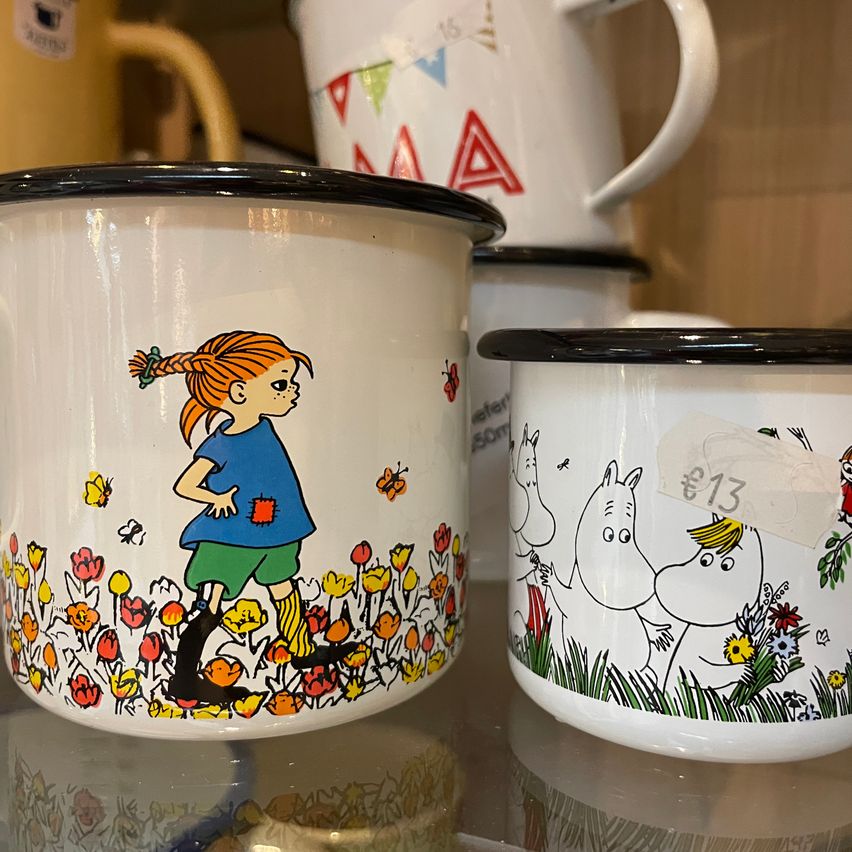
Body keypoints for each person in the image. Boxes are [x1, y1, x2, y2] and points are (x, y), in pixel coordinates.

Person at [129, 330, 353, 706]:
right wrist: (214, 497)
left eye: (291, 382)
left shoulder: (263, 426)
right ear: (238, 392)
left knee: (284, 588)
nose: (291, 391)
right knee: (212, 604)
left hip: (276, 531)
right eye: (280, 384)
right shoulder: (222, 442)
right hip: (231, 537)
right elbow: (186, 484)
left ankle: (300, 651)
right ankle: (184, 681)